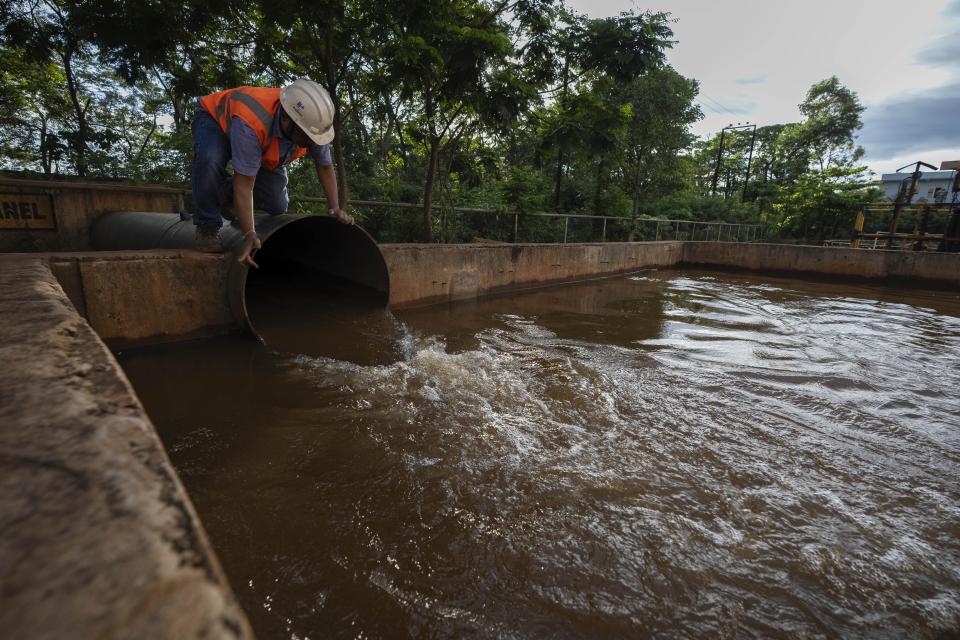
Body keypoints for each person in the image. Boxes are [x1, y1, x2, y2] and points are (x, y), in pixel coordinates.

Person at [191, 79, 354, 268]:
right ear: (286, 119)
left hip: (265, 143)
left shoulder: (312, 126)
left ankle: (224, 194)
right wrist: (249, 234)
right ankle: (207, 225)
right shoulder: (252, 123)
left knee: (277, 204)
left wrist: (334, 208)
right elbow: (245, 185)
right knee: (210, 159)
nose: (312, 144)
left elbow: (325, 166)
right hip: (215, 120)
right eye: (307, 138)